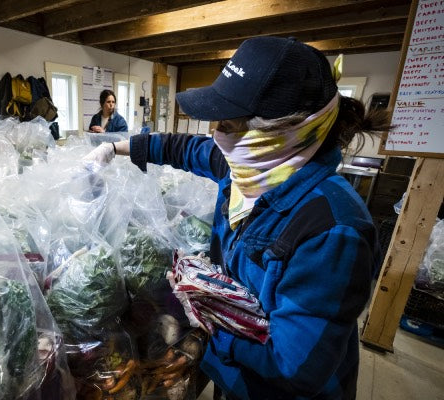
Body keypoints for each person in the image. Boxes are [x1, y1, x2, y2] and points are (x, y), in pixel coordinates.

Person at [84, 36, 390, 399]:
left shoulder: (332, 230)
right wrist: (115, 148)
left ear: (282, 131)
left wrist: (206, 328)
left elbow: (295, 367)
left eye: (228, 126)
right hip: (236, 378)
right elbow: (182, 147)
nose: (217, 136)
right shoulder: (251, 166)